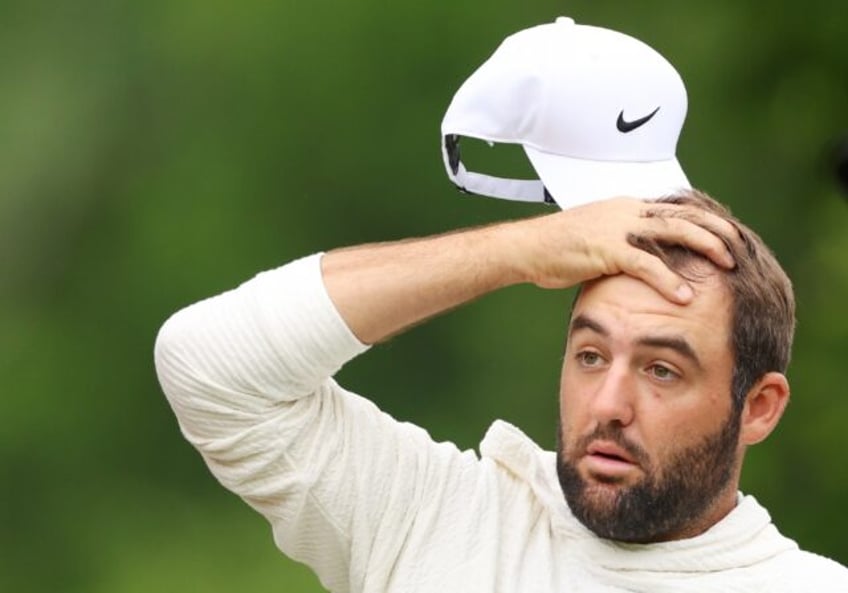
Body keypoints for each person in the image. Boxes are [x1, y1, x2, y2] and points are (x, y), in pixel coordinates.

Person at [154, 17, 848, 593]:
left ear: (758, 406)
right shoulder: (445, 518)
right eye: (589, 354)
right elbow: (208, 368)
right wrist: (517, 250)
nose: (608, 402)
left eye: (662, 369)